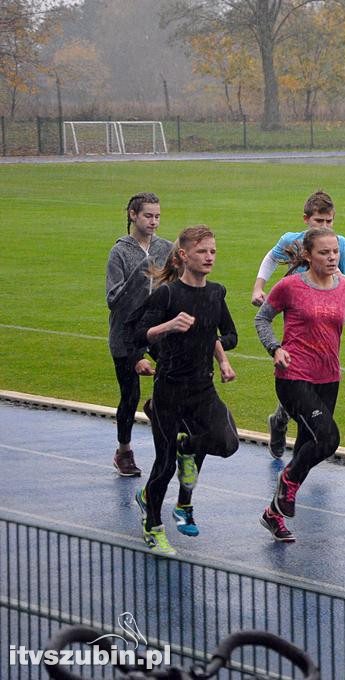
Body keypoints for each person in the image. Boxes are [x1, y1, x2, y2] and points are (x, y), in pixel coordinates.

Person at [254, 227, 345, 542]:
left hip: (328, 377)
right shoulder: (289, 287)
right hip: (293, 376)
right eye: (324, 252)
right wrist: (275, 348)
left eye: (335, 252)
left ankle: (273, 514)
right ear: (307, 255)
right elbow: (261, 319)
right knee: (328, 438)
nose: (332, 257)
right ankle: (287, 482)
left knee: (311, 447)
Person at [132, 226, 240, 556]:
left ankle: (187, 447)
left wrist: (221, 358)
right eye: (202, 251)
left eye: (213, 252)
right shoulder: (167, 295)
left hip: (202, 388)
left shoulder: (216, 293)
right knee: (163, 467)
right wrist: (168, 326)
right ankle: (153, 527)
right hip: (170, 389)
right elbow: (137, 334)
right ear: (183, 256)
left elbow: (230, 335)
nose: (209, 257)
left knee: (227, 441)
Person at [250, 190, 345, 458]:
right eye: (318, 221)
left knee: (314, 386)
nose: (324, 227)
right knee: (299, 377)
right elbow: (271, 259)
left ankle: (281, 426)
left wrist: (333, 280)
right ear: (306, 220)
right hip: (298, 321)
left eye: (328, 222)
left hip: (326, 318)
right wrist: (258, 287)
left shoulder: (340, 245)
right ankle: (290, 469)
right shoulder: (292, 243)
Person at [106, 193, 174, 477]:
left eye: (158, 216)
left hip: (157, 331)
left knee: (173, 381)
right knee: (130, 395)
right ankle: (124, 450)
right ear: (133, 215)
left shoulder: (167, 248)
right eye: (148, 216)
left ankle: (161, 418)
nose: (154, 222)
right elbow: (113, 298)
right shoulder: (119, 252)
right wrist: (141, 273)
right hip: (125, 333)